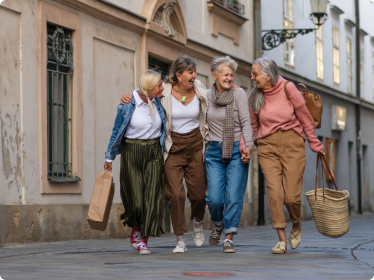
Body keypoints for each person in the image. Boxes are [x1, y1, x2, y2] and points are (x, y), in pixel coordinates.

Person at [120, 56, 209, 253]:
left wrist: (230, 89)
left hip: (195, 144)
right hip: (173, 146)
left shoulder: (200, 88)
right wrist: (128, 97)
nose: (194, 75)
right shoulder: (165, 91)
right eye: (190, 72)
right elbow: (145, 91)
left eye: (194, 72)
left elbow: (215, 97)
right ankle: (180, 239)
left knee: (199, 194)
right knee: (175, 194)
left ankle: (197, 222)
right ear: (178, 75)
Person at [249, 57, 324, 254]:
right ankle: (281, 240)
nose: (252, 77)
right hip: (267, 146)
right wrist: (248, 145)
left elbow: (305, 117)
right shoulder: (255, 96)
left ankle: (296, 223)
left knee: (291, 197)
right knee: (275, 192)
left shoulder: (288, 88)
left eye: (255, 74)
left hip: (292, 144)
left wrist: (314, 142)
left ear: (268, 74)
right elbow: (253, 125)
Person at [104, 70, 166, 255]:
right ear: (148, 88)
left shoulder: (160, 101)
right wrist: (109, 157)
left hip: (154, 151)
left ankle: (143, 241)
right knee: (136, 199)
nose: (163, 88)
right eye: (159, 86)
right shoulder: (127, 104)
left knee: (152, 197)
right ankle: (136, 229)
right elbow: (116, 130)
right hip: (132, 151)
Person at [205, 56, 253, 253]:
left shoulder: (239, 93)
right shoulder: (205, 95)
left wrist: (248, 146)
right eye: (225, 74)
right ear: (214, 75)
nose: (229, 78)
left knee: (233, 196)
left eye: (231, 75)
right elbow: (180, 93)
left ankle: (229, 237)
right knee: (215, 199)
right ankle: (218, 224)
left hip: (236, 150)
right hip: (213, 151)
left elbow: (246, 122)